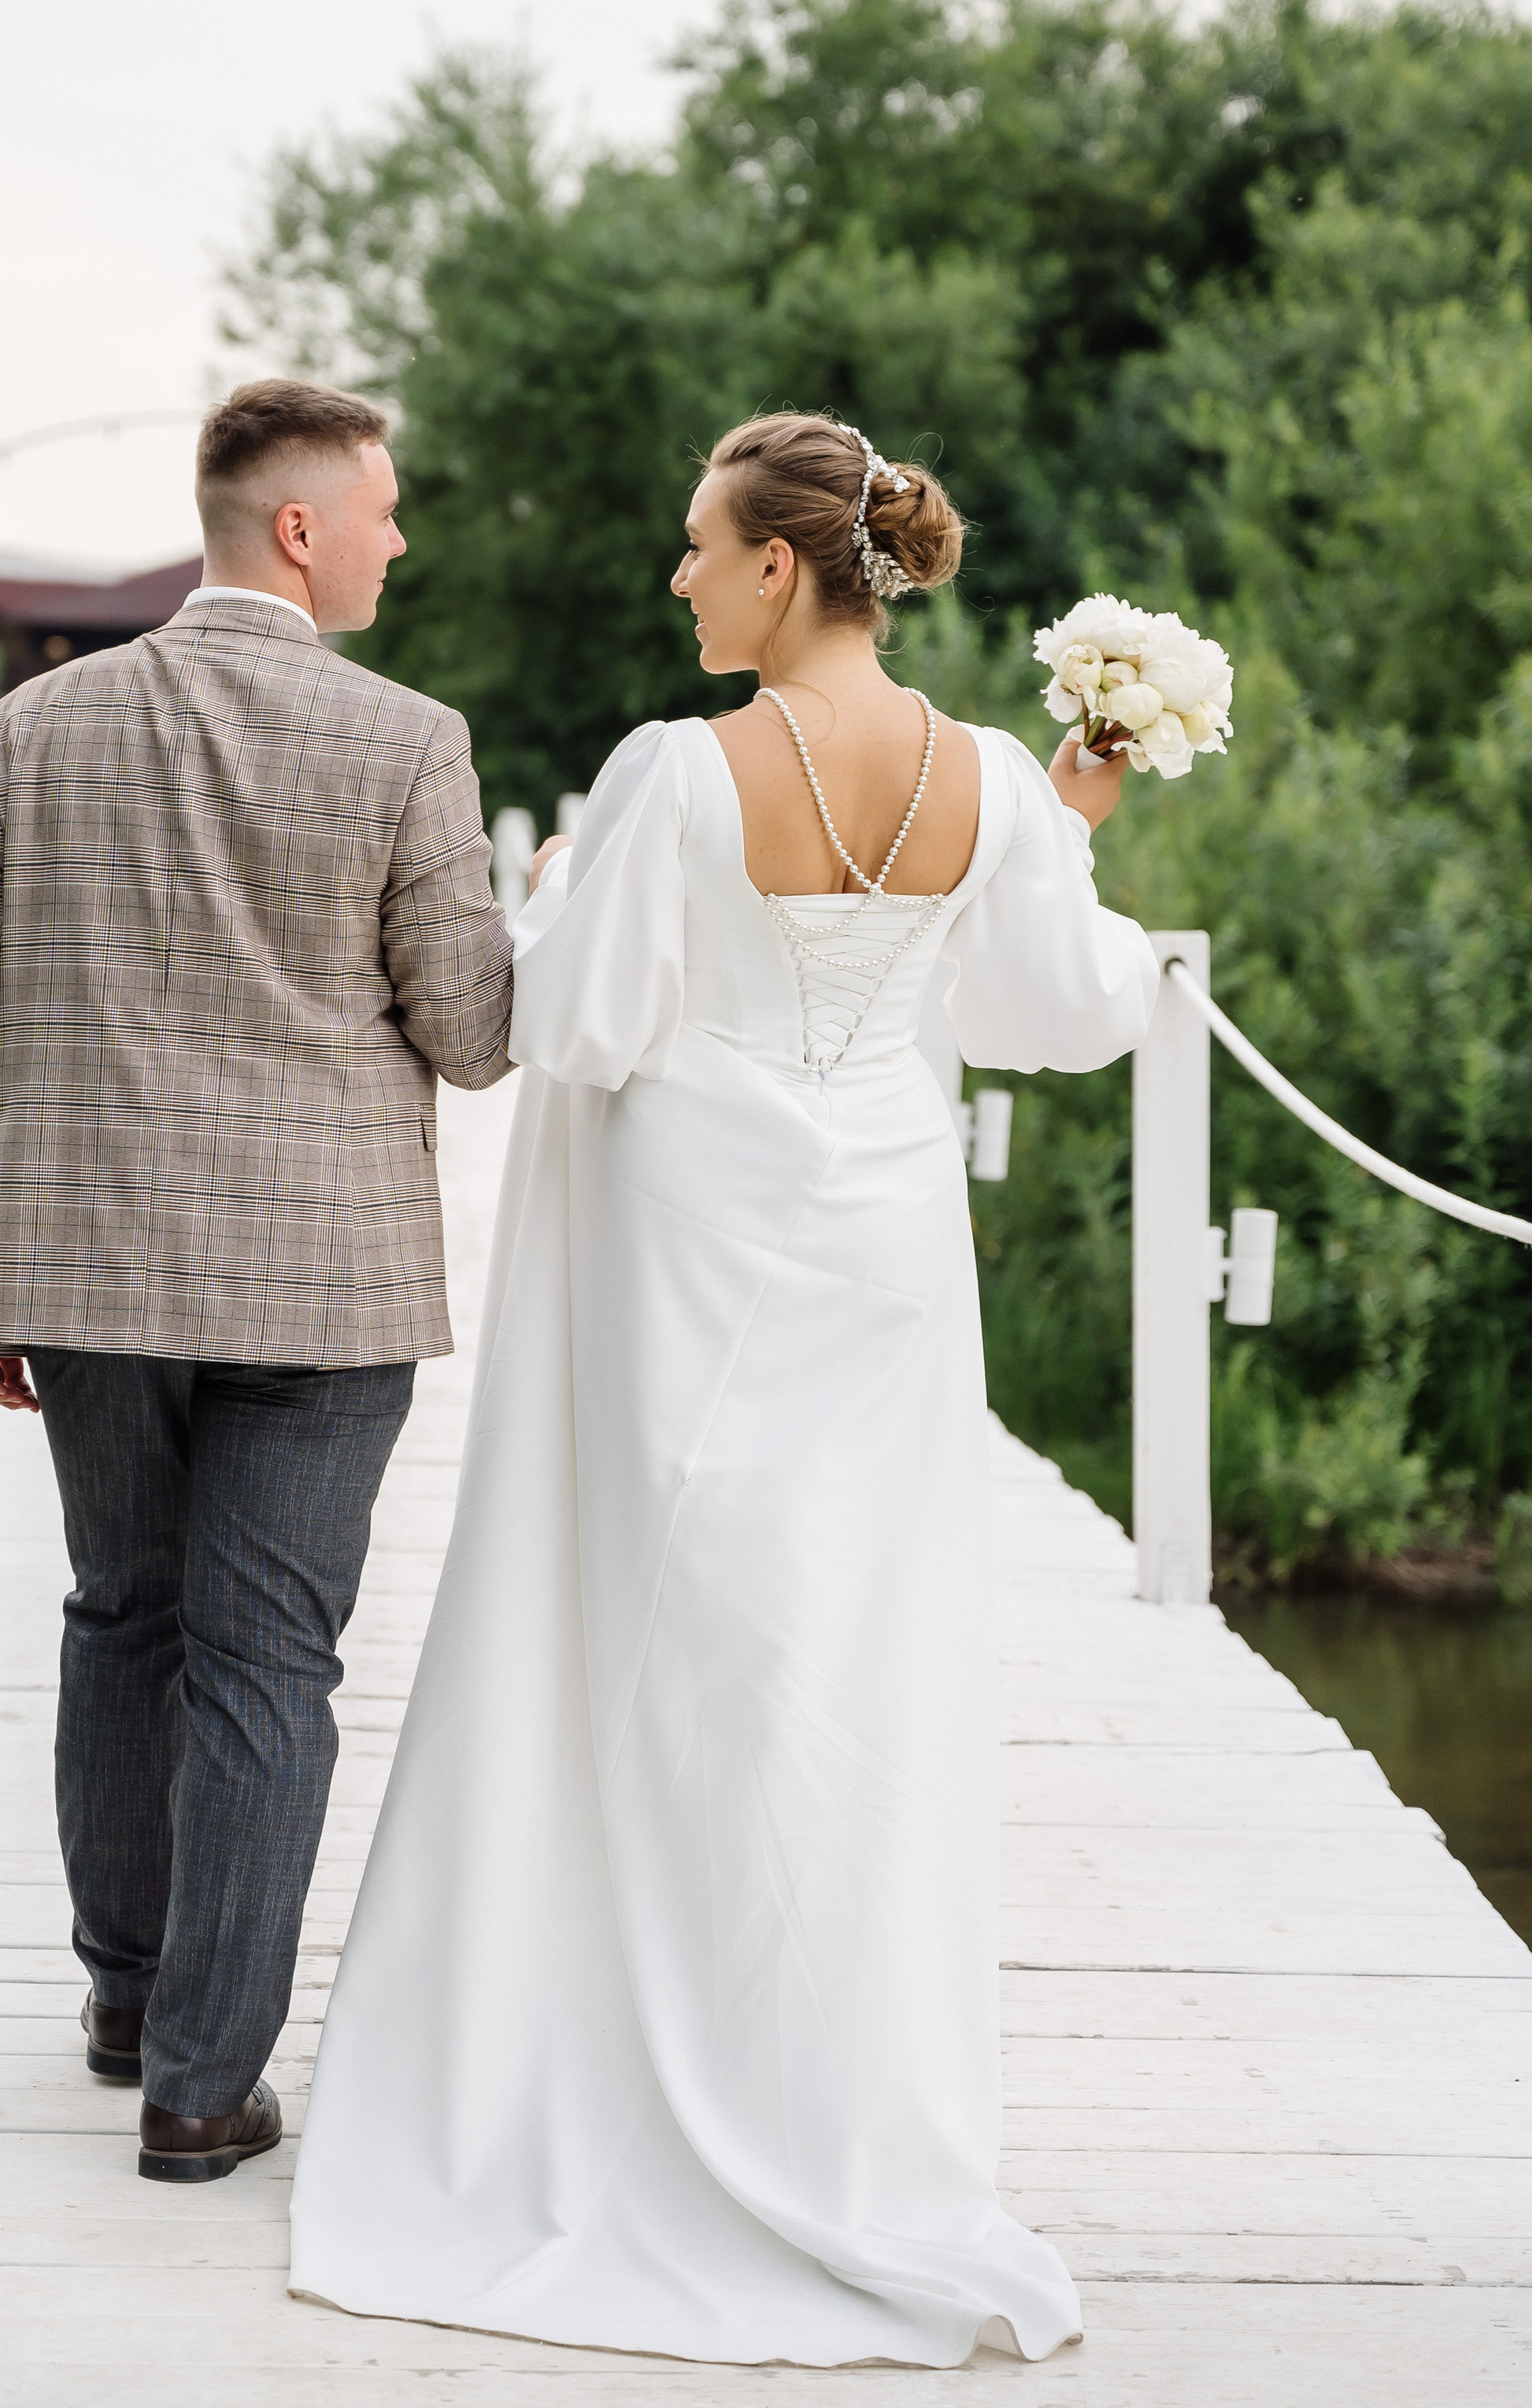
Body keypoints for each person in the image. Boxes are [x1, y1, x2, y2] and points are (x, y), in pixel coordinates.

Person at [290, 411, 1158, 2366]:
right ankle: (825, 2096)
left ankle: (635, 2073)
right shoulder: (996, 779)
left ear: (780, 567)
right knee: (845, 1660)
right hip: (878, 1259)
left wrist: (549, 897)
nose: (675, 577)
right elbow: (1052, 1011)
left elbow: (576, 1018)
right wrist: (1062, 830)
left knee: (671, 1647)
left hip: (688, 1249)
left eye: (696, 546)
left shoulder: (675, 776)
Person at [0, 377, 514, 2186]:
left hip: (84, 1256)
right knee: (269, 1661)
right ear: (295, 526)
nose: (399, 537)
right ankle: (200, 2084)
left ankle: (122, 1998)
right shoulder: (410, 742)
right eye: (384, 508)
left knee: (122, 1611)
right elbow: (476, 1036)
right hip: (319, 1278)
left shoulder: (29, 728)